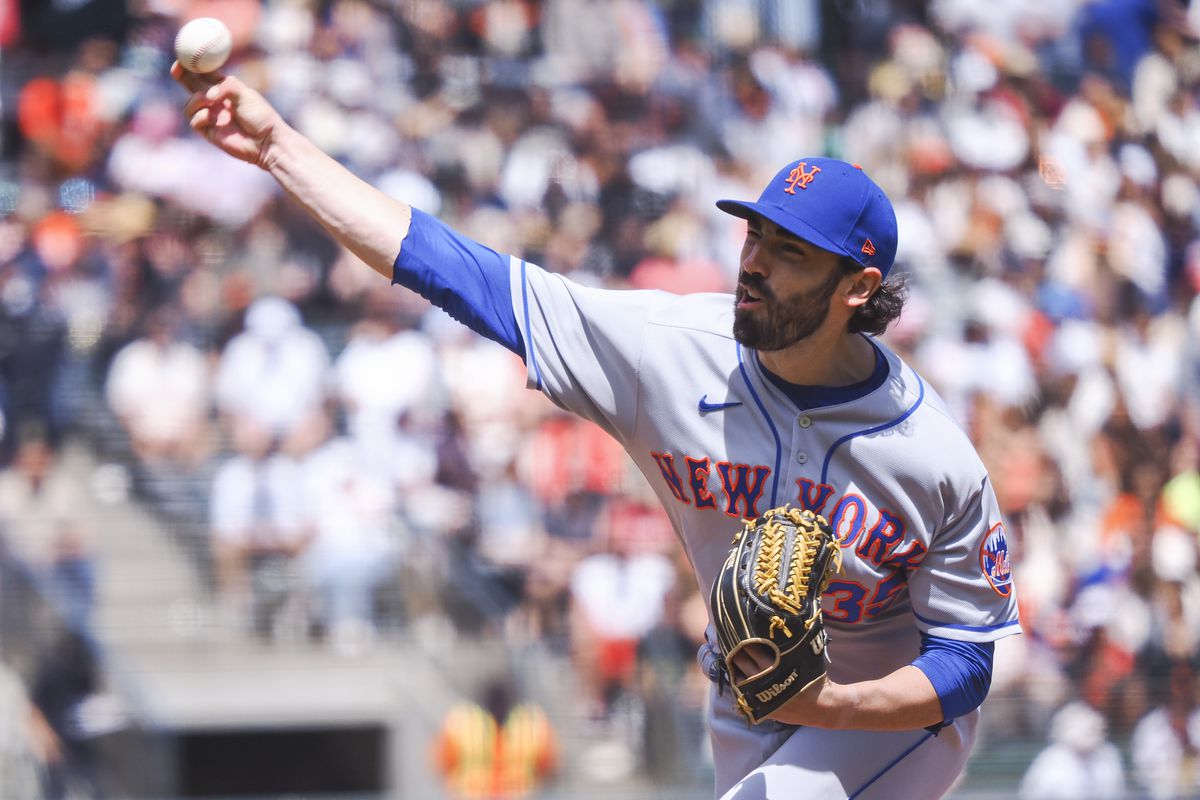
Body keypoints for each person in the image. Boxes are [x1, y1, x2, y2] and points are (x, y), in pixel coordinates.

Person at [172, 62, 1021, 800]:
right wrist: (279, 145)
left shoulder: (931, 455)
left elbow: (965, 663)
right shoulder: (666, 350)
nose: (753, 261)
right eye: (754, 235)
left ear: (856, 287)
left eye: (788, 251)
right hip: (742, 691)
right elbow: (451, 268)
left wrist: (832, 705)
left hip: (893, 707)